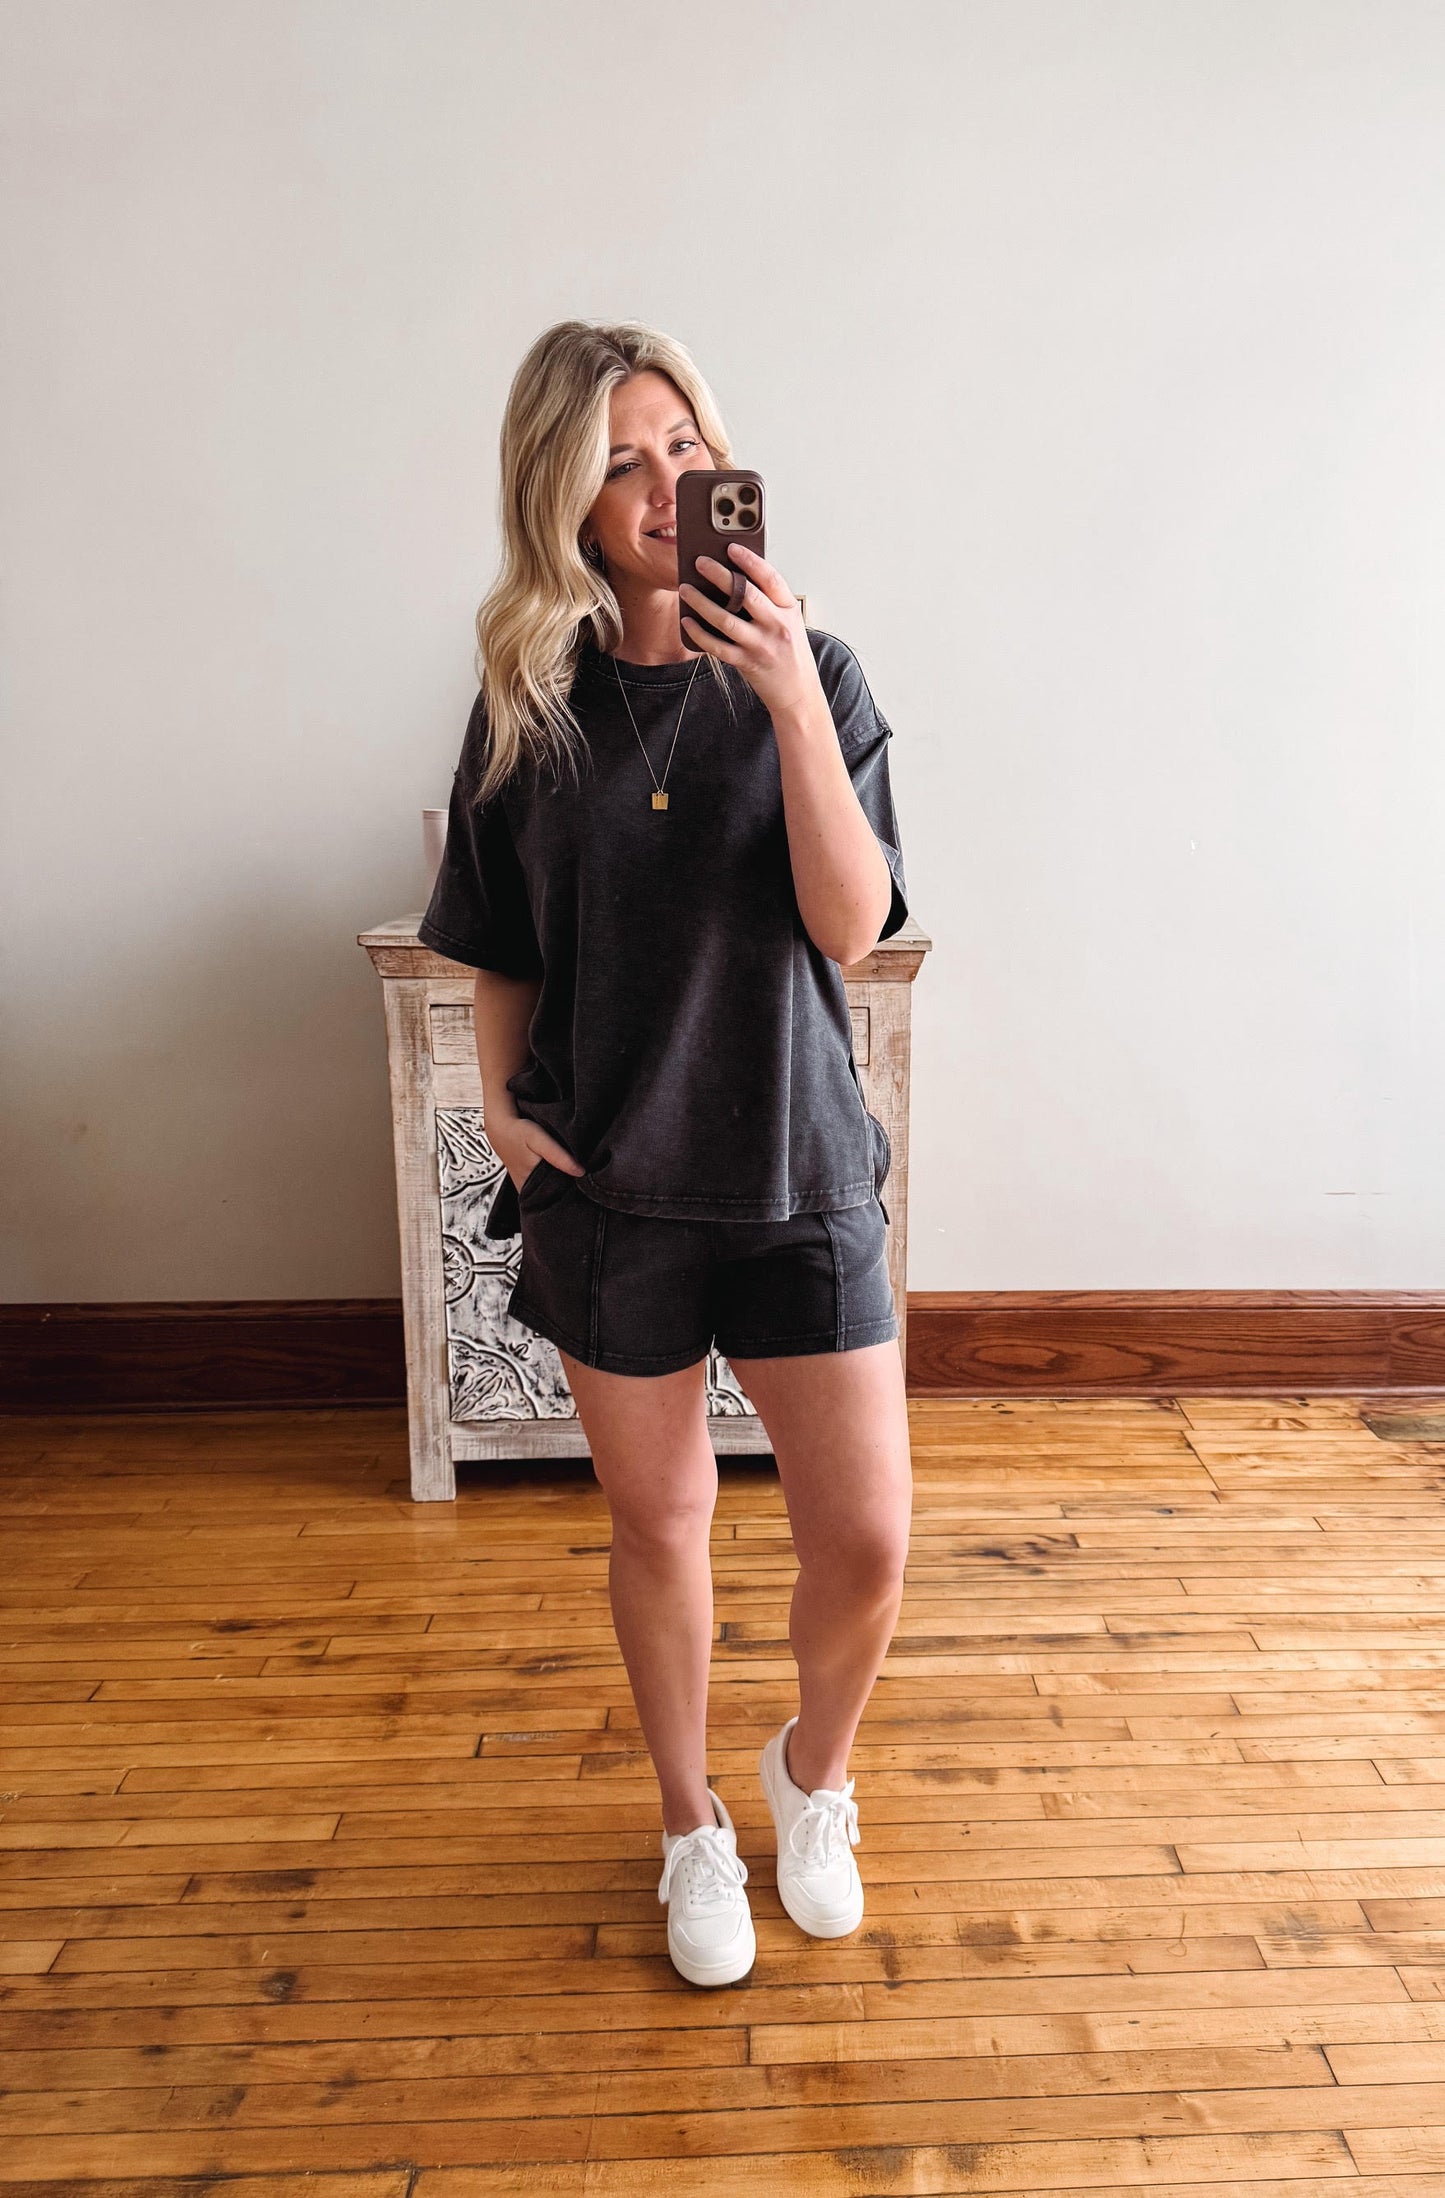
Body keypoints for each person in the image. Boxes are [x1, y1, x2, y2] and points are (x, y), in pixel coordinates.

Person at [420, 319, 913, 1989]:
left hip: (796, 1171)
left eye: (685, 448)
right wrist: (499, 1102)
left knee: (865, 1537)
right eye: (622, 460)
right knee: (664, 1525)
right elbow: (497, 940)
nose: (662, 486)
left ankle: (810, 1777)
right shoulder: (523, 707)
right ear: (559, 492)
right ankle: (691, 1819)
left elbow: (850, 926)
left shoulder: (818, 669)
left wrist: (779, 696)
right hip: (612, 1193)